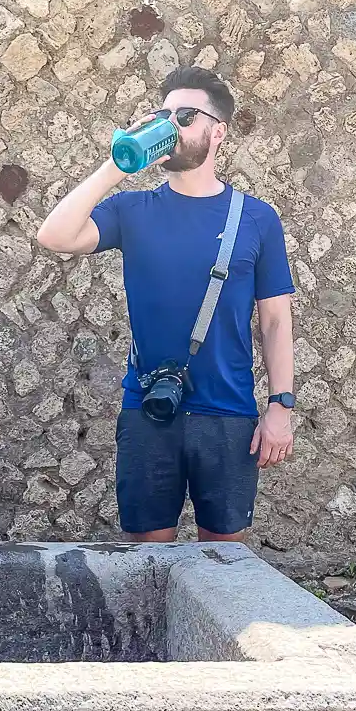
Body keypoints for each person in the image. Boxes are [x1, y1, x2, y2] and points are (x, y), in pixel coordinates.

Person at [35, 66, 295, 542]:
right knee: (147, 565)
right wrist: (118, 164)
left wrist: (281, 405)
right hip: (148, 408)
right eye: (163, 114)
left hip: (227, 412)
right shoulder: (132, 210)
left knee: (223, 566)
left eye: (185, 115)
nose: (170, 124)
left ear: (218, 132)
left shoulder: (257, 219)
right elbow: (54, 235)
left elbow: (276, 320)